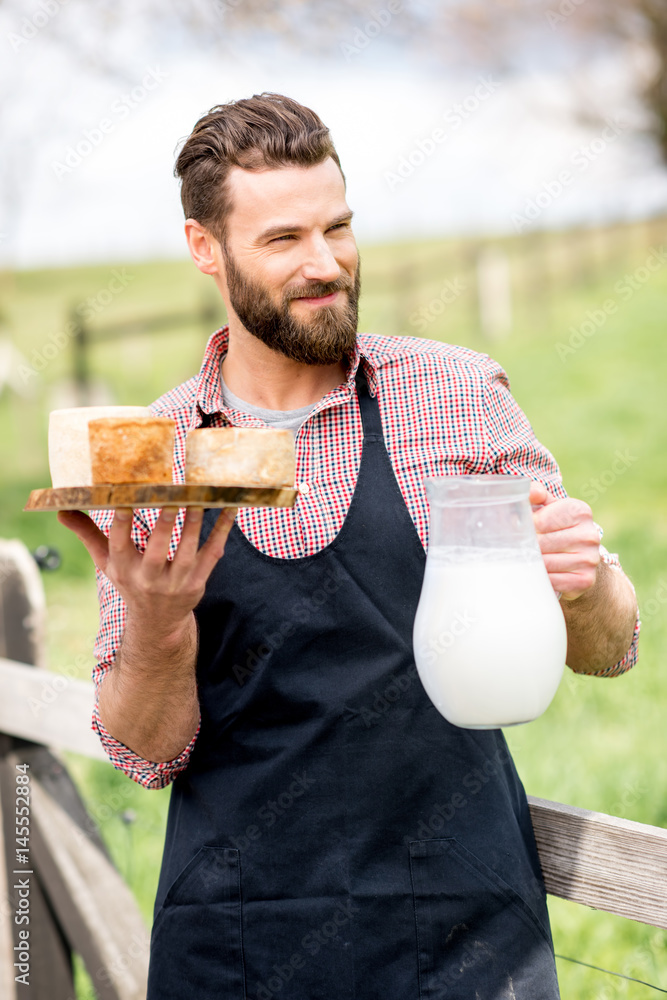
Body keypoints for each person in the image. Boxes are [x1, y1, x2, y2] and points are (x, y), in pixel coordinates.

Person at [59, 93, 639, 1000]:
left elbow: (608, 651)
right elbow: (143, 752)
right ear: (204, 250)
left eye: (339, 227)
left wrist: (584, 585)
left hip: (465, 933)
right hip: (237, 942)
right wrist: (158, 625)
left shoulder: (456, 395)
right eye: (283, 239)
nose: (325, 264)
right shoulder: (158, 451)